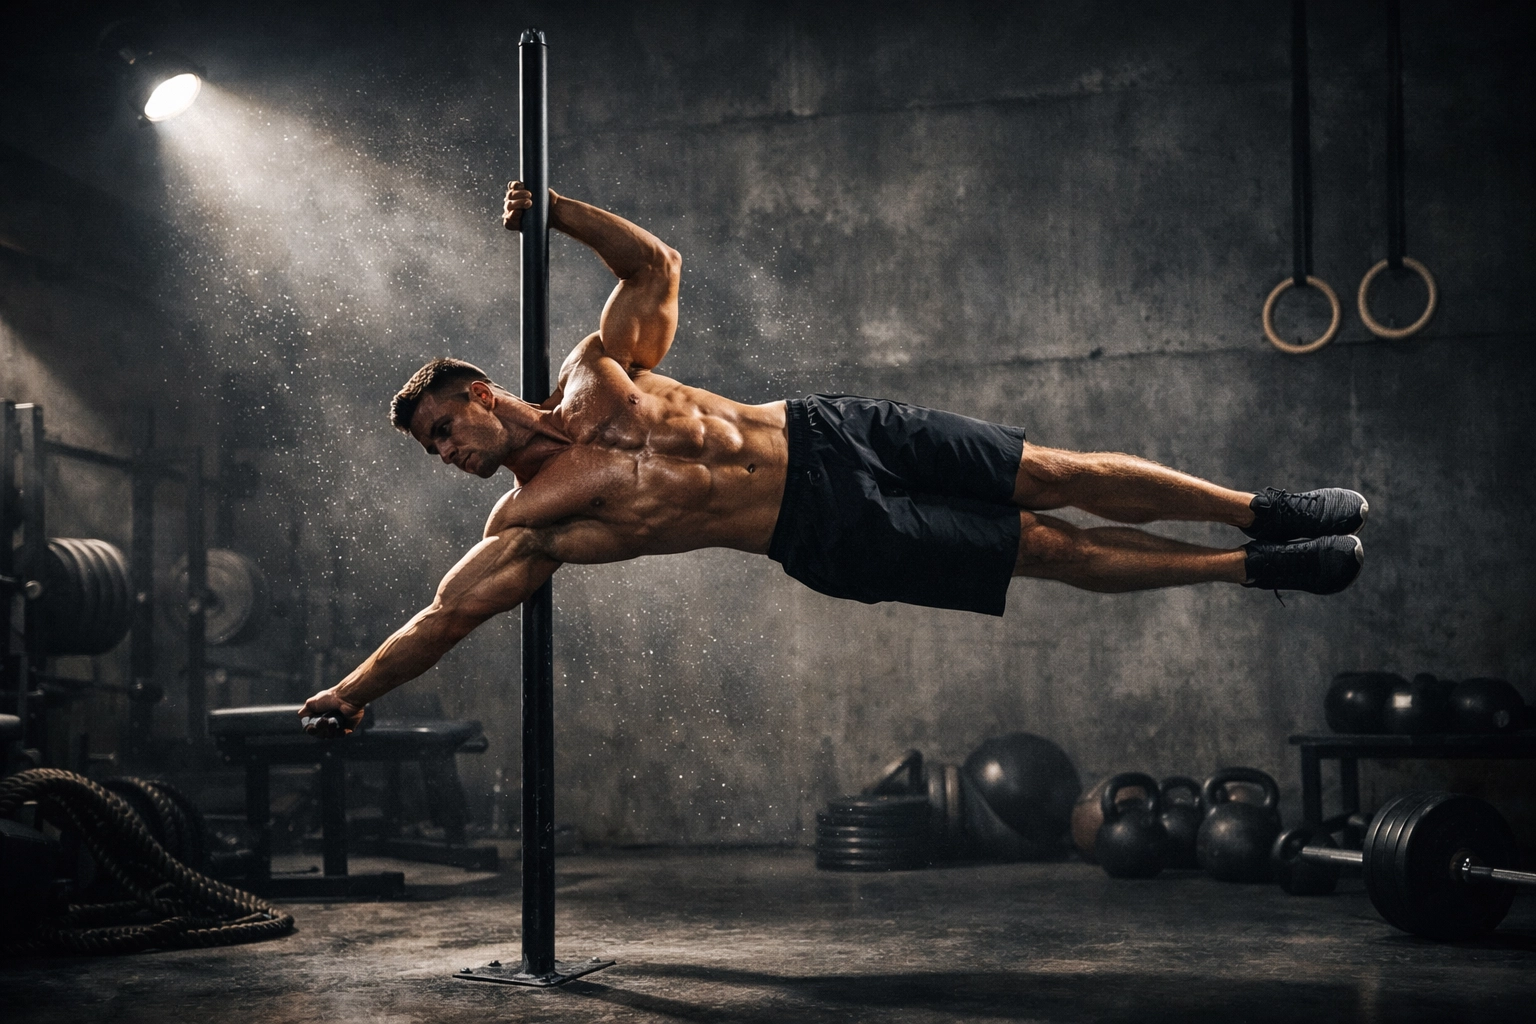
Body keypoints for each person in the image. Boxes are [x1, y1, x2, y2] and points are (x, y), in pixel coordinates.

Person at [299, 184, 1366, 733]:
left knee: (1062, 472)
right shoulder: (531, 522)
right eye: (435, 448)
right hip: (825, 532)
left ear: (478, 392)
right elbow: (442, 617)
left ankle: (1260, 510)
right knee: (1050, 550)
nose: (446, 453)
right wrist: (353, 689)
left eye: (445, 428)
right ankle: (1257, 568)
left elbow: (657, 261)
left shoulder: (598, 366)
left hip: (831, 429)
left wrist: (559, 211)